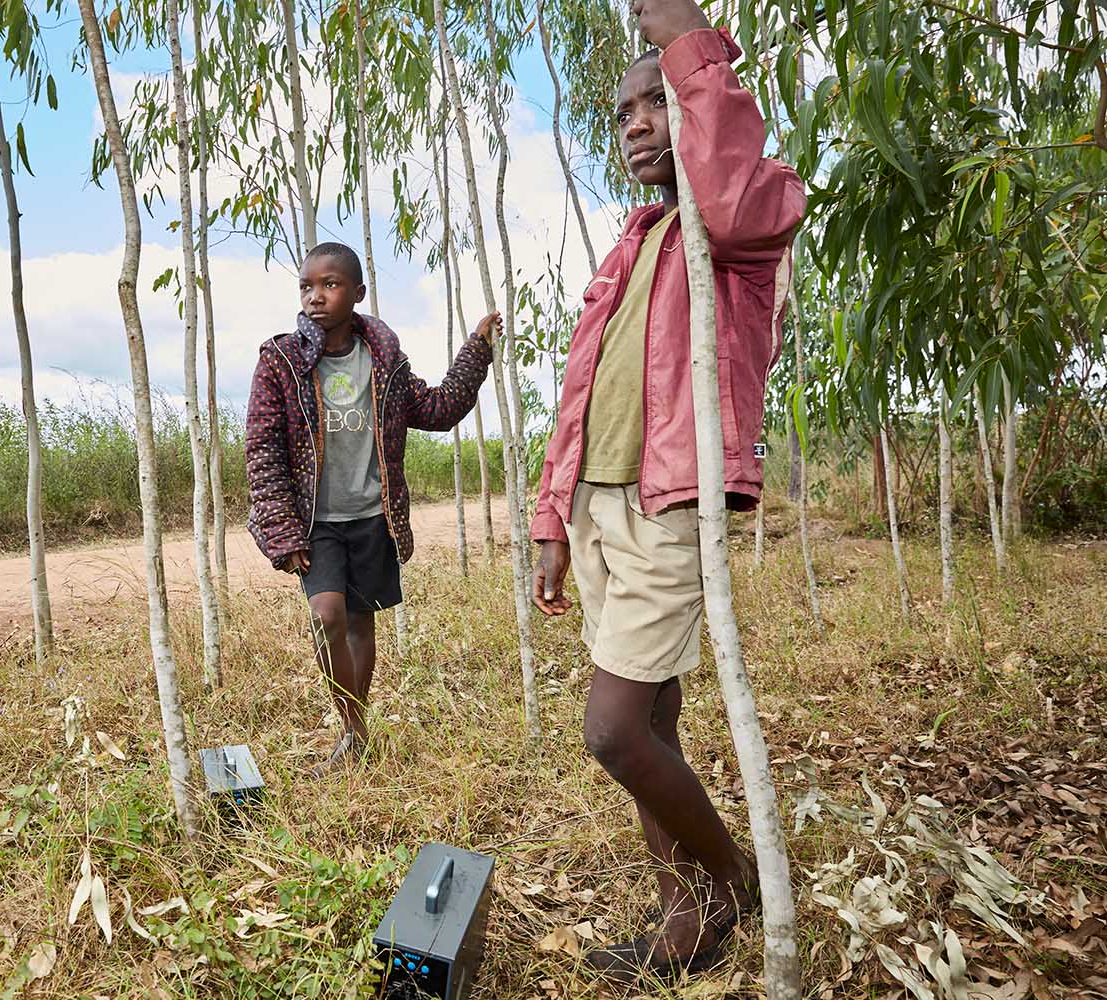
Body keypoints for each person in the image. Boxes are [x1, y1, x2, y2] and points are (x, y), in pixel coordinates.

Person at [529, 0, 805, 980]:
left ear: (700, 98)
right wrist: (551, 517)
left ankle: (732, 879)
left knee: (610, 729)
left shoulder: (742, 215)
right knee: (652, 723)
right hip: (600, 508)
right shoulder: (634, 240)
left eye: (660, 100)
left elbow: (726, 195)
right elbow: (578, 396)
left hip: (669, 506)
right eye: (624, 112)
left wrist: (691, 39)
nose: (639, 121)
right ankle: (681, 913)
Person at [246, 242, 498, 773]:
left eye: (330, 285)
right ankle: (354, 726)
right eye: (307, 286)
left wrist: (476, 351)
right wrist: (282, 530)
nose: (316, 297)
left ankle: (353, 734)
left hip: (372, 516)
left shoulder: (382, 360)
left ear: (357, 293)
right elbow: (262, 448)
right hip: (314, 521)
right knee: (326, 615)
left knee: (361, 624)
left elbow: (437, 408)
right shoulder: (281, 362)